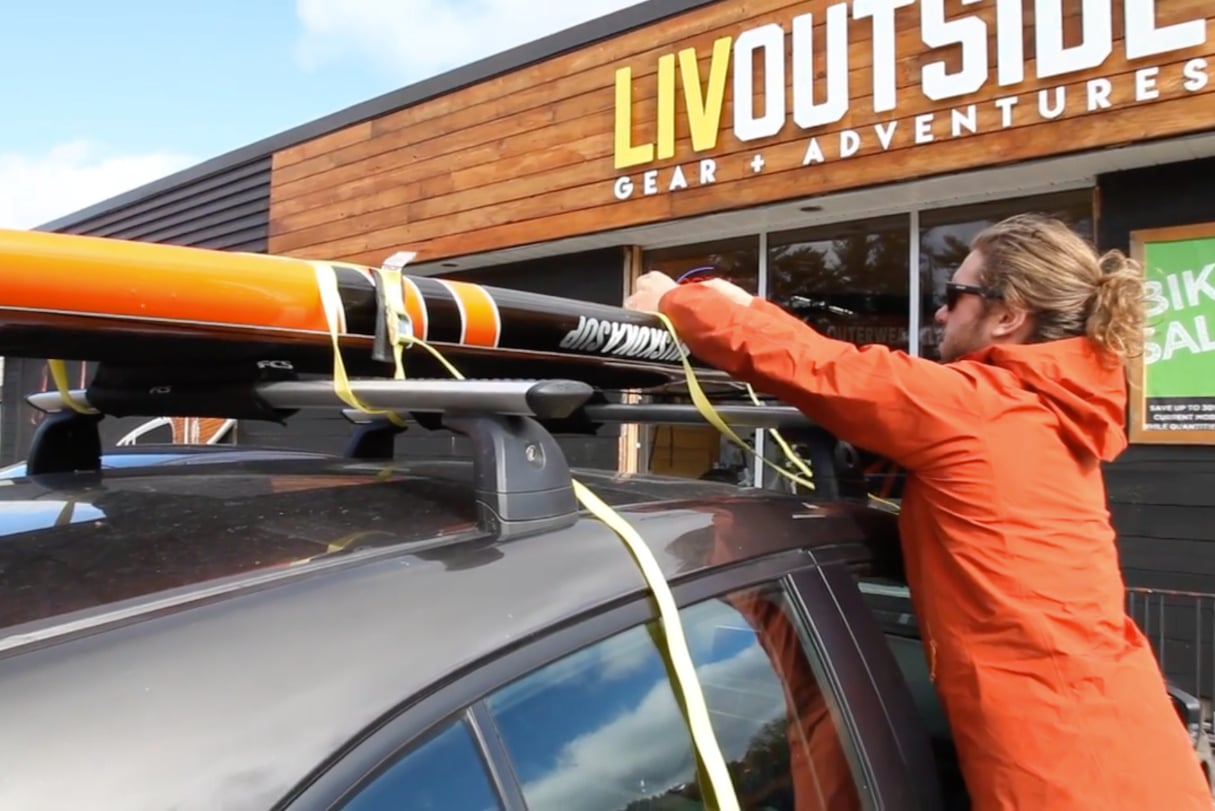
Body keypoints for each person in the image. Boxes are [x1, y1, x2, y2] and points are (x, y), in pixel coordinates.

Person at [625, 214, 1212, 810]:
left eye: (956, 296)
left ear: (1009, 316)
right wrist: (745, 307)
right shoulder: (1043, 412)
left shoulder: (980, 409)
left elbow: (826, 368)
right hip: (1126, 735)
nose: (939, 313)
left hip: (1064, 763)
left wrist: (676, 300)